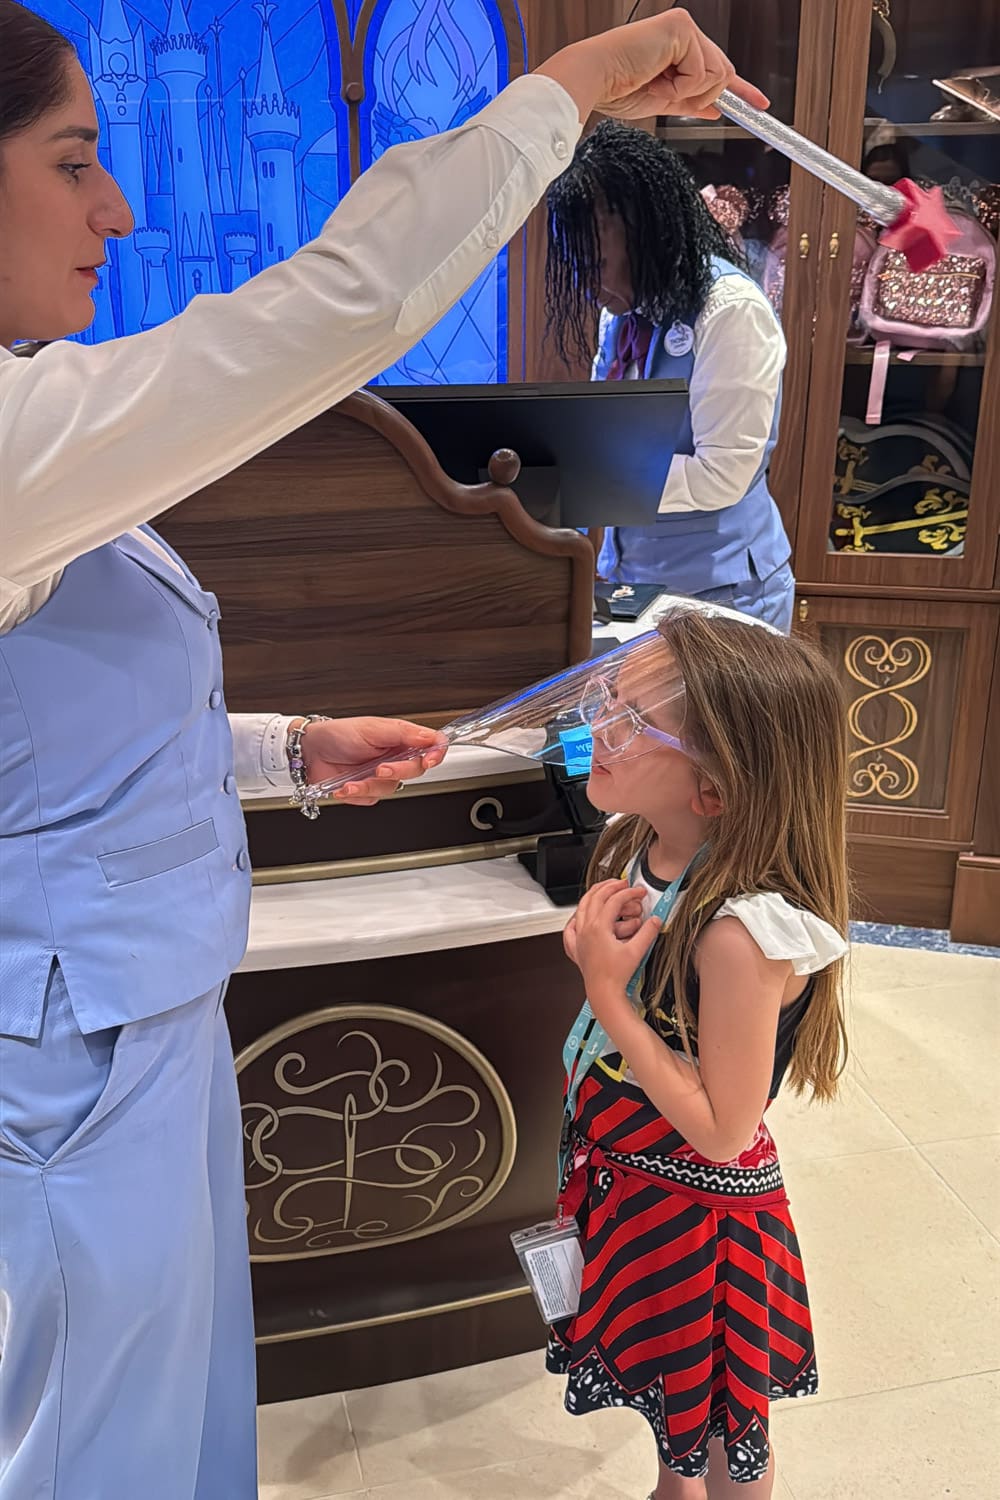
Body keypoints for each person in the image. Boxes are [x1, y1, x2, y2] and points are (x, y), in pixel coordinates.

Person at [0, 3, 767, 1496]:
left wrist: (291, 750)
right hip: (72, 1033)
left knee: (167, 1392)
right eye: (72, 159)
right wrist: (567, 91)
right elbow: (331, 307)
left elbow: (56, 726)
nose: (119, 207)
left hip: (132, 1007)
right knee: (102, 1431)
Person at [549, 603, 850, 1497]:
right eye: (608, 697)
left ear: (712, 792)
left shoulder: (740, 933)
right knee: (667, 1388)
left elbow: (724, 1129)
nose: (597, 726)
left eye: (632, 722)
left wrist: (605, 988)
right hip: (629, 1171)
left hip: (698, 1207)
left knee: (719, 1418)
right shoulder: (639, 842)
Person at [546, 123, 795, 631]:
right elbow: (607, 434)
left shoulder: (730, 312)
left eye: (595, 264)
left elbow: (722, 474)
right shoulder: (622, 314)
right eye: (576, 267)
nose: (587, 287)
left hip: (725, 598)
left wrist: (589, 477)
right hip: (634, 585)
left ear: (647, 234)